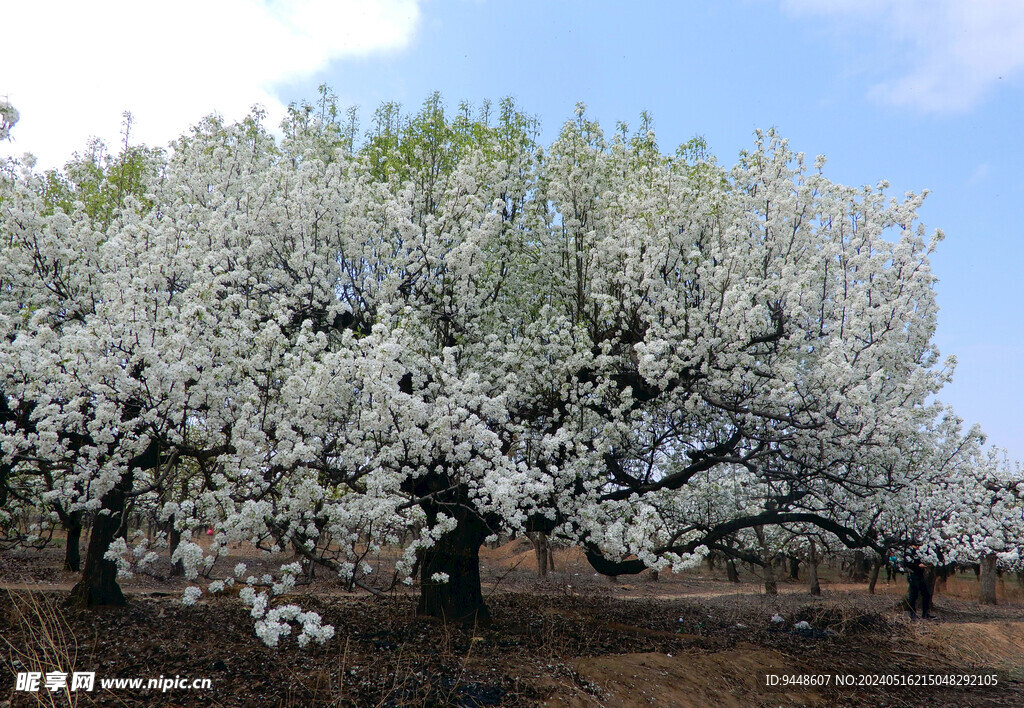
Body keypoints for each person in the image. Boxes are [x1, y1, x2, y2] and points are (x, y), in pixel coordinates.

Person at [903, 544, 933, 619]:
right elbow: (908, 564)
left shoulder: (921, 552)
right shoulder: (909, 552)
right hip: (913, 575)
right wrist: (918, 566)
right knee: (913, 595)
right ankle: (912, 614)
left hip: (920, 575)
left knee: (926, 594)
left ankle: (925, 613)